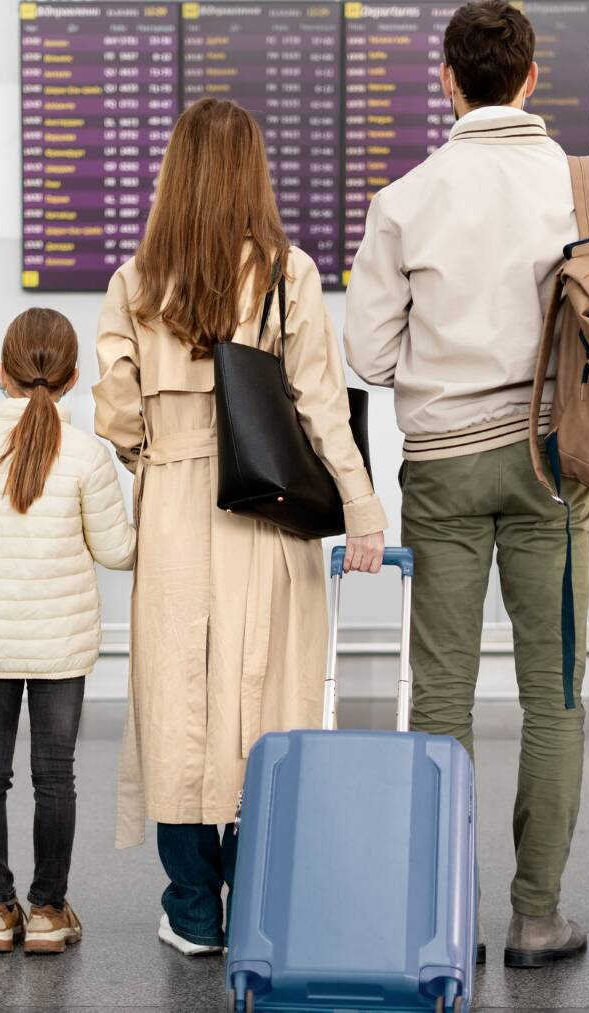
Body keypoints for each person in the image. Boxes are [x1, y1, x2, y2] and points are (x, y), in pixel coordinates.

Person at [344, 0, 589, 968]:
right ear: (533, 78)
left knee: (439, 693)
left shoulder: (404, 198)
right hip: (553, 464)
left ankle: (440, 915)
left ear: (446, 79)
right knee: (553, 692)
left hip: (442, 466)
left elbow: (367, 351)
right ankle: (537, 915)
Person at [94, 98, 387, 958]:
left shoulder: (137, 279)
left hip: (179, 505)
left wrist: (158, 442)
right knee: (268, 700)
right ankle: (258, 892)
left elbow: (115, 414)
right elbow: (323, 408)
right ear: (254, 170)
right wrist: (361, 508)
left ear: (174, 173)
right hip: (267, 510)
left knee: (178, 697)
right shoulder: (289, 272)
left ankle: (193, 911)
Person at [0, 308, 135, 955]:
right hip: (59, 646)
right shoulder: (87, 455)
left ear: (2, 374)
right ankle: (45, 911)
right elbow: (118, 550)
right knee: (54, 776)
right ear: (72, 377)